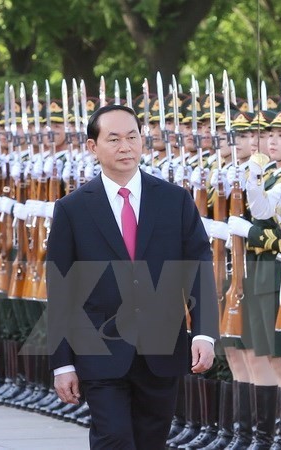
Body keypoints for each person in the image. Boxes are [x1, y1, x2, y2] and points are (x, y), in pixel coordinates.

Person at [46, 104, 218, 450]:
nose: (125, 146)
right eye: (114, 139)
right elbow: (60, 291)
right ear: (93, 147)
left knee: (151, 440)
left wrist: (204, 332)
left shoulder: (174, 200)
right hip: (99, 349)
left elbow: (198, 265)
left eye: (132, 137)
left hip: (162, 347)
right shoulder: (73, 209)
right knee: (113, 438)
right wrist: (61, 362)